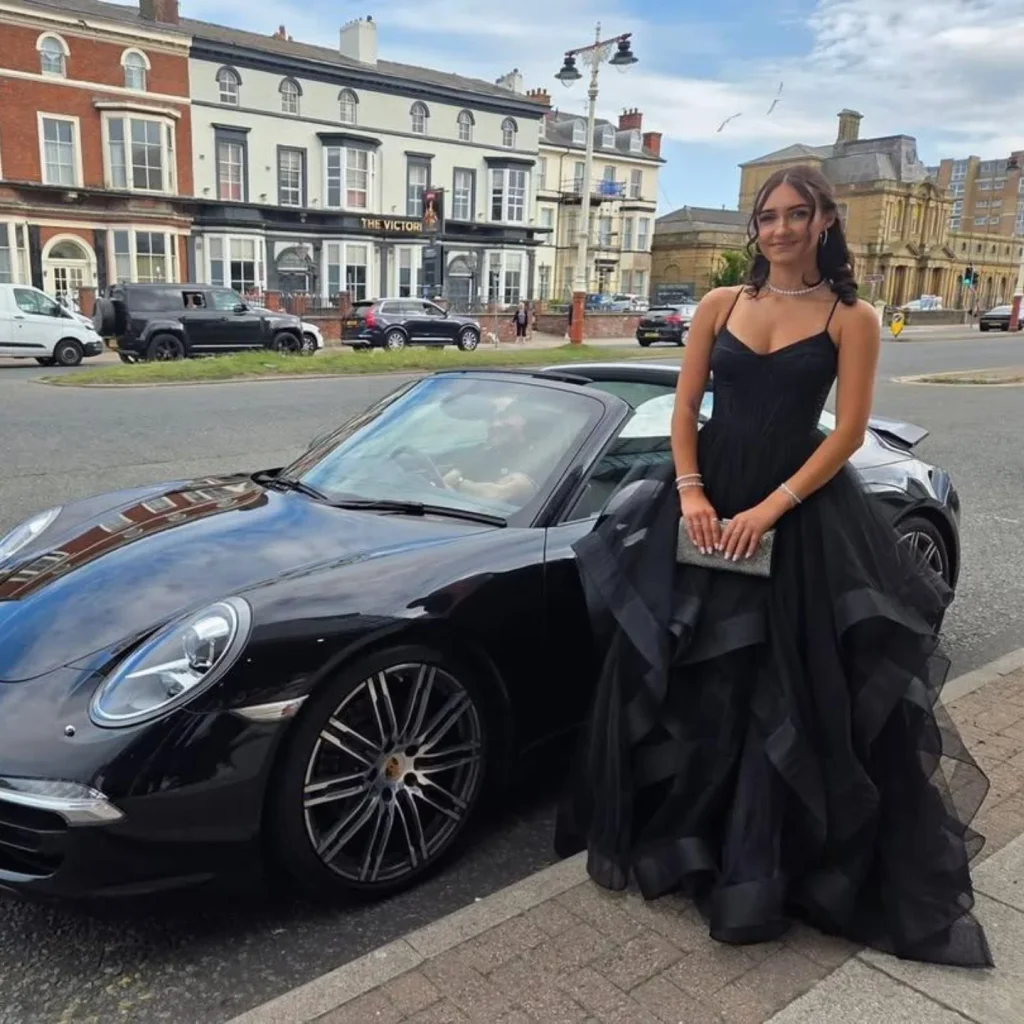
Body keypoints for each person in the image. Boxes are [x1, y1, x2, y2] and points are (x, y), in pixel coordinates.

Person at [554, 164, 993, 969]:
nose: (781, 228)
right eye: (769, 216)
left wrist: (771, 508)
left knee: (778, 688)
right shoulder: (721, 304)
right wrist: (690, 492)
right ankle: (690, 847)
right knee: (694, 678)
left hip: (798, 516)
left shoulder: (850, 316)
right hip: (705, 503)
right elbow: (686, 407)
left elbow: (847, 435)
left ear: (826, 221)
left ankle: (761, 873)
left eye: (798, 214)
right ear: (755, 227)